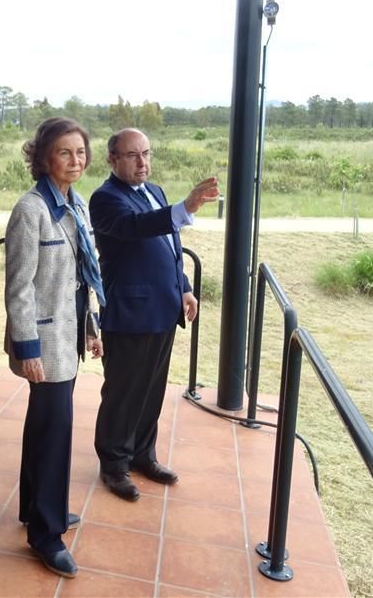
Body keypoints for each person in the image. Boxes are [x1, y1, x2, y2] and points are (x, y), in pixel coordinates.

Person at [89, 128, 218, 501]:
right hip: (129, 312)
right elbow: (138, 228)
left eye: (146, 153)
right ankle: (114, 465)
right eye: (132, 155)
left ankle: (143, 454)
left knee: (151, 390)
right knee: (123, 392)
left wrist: (185, 287)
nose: (142, 162)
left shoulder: (155, 190)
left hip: (163, 307)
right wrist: (186, 208)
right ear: (113, 159)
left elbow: (168, 244)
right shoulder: (105, 198)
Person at [4, 117, 104, 579]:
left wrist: (91, 327)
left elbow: (81, 277)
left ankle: (35, 507)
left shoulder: (75, 204)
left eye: (80, 152)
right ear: (44, 157)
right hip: (43, 342)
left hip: (68, 336)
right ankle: (46, 533)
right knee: (55, 432)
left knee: (45, 426)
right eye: (65, 152)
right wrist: (27, 347)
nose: (75, 160)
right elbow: (19, 286)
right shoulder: (32, 209)